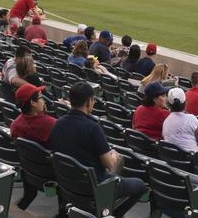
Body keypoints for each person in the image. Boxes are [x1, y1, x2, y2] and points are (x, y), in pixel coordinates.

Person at [48, 82, 147, 218]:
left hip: (68, 184)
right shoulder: (92, 128)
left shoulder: (57, 124)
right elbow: (109, 164)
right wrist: (114, 155)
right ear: (88, 101)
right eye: (93, 99)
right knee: (140, 185)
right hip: (95, 187)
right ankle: (112, 214)